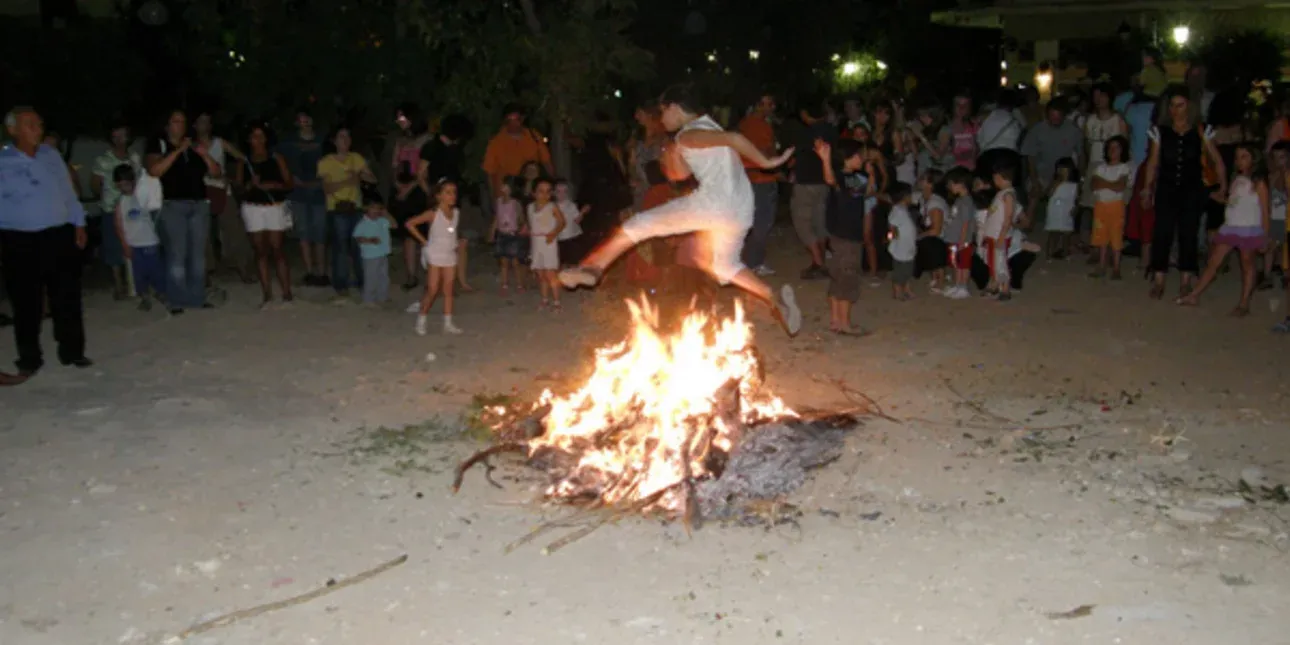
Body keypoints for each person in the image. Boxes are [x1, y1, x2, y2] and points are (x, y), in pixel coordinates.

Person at [558, 84, 802, 337]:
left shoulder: (689, 134)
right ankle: (774, 300)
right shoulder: (707, 127)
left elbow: (735, 138)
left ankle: (594, 268)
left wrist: (768, 162)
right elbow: (680, 175)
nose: (661, 120)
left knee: (639, 224)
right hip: (740, 208)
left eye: (663, 112)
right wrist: (673, 155)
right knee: (723, 266)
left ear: (674, 108)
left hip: (714, 203)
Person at [0, 106, 92, 381]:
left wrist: (79, 222)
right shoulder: (3, 161)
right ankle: (29, 358)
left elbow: (68, 191)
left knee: (67, 296)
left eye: (39, 124)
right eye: (29, 125)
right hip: (19, 239)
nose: (37, 130)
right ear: (12, 129)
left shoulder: (51, 156)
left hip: (58, 234)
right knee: (26, 301)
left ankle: (72, 351)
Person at [1140, 85, 1226, 300]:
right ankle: (1159, 279)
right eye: (1172, 105)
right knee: (1162, 233)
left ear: (1189, 107)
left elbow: (1217, 160)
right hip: (1167, 188)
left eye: (1180, 105)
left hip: (1192, 190)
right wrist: (1146, 189)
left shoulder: (1202, 130)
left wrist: (1223, 186)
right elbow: (1153, 163)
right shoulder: (1159, 131)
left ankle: (1186, 280)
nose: (1175, 110)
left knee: (1189, 233)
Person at [145, 109, 223, 314]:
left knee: (198, 256)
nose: (180, 125)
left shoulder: (195, 146)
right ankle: (177, 300)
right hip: (173, 205)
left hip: (199, 204)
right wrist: (178, 151)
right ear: (167, 125)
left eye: (183, 121)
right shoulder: (158, 145)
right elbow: (155, 171)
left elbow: (216, 172)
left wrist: (204, 154)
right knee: (177, 254)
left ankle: (196, 298)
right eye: (176, 121)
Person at [1178, 144, 1270, 316]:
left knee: (1247, 264)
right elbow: (1233, 202)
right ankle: (1194, 295)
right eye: (1237, 157)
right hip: (1230, 226)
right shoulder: (1236, 178)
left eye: (1244, 157)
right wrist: (1215, 196)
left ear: (1254, 159)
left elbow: (1265, 211)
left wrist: (1264, 236)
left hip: (1248, 228)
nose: (1239, 161)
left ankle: (1244, 303)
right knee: (1213, 262)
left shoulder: (1259, 183)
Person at [816, 138, 874, 335]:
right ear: (849, 157)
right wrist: (825, 159)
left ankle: (836, 321)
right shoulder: (840, 176)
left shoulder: (860, 177)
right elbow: (830, 180)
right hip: (844, 235)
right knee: (846, 278)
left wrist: (872, 172)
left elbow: (869, 192)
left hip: (848, 234)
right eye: (860, 154)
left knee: (839, 277)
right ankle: (844, 323)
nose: (863, 157)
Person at [234, 123, 295, 308]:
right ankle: (267, 295)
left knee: (278, 249)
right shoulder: (243, 162)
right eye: (254, 136)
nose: (258, 140)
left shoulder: (276, 158)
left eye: (261, 136)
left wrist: (275, 186)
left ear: (267, 138)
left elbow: (289, 183)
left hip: (274, 206)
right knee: (260, 251)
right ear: (249, 139)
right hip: (252, 207)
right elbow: (238, 188)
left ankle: (287, 293)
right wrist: (250, 185)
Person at [318, 126, 378, 300]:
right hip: (337, 209)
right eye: (341, 137)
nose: (345, 140)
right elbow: (327, 188)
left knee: (359, 247)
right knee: (340, 249)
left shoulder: (356, 158)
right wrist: (348, 180)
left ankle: (362, 282)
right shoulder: (326, 162)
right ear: (334, 141)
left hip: (355, 208)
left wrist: (360, 176)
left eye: (348, 137)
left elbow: (372, 178)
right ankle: (341, 283)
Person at [90, 120, 142, 299]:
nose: (120, 138)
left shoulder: (134, 158)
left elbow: (140, 181)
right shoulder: (103, 160)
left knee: (135, 245)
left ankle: (134, 281)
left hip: (132, 209)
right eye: (116, 135)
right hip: (112, 209)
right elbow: (95, 186)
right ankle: (119, 284)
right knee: (113, 247)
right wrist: (106, 196)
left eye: (123, 134)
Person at [406, 180, 464, 335]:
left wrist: (456, 243)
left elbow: (452, 231)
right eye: (448, 192)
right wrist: (425, 242)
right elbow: (410, 224)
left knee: (448, 289)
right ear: (439, 196)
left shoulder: (456, 212)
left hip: (449, 253)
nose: (452, 196)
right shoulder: (433, 213)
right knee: (432, 289)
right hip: (435, 253)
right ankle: (421, 320)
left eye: (454, 192)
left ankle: (448, 323)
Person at [279, 108, 329, 286]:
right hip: (298, 193)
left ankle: (322, 272)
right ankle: (309, 271)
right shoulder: (288, 143)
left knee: (320, 233)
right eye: (300, 119)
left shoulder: (323, 140)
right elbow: (281, 162)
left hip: (319, 193)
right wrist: (290, 178)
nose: (304, 121)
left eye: (307, 118)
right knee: (304, 232)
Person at [791, 95, 838, 279]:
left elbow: (795, 157)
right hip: (825, 182)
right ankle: (821, 261)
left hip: (806, 183)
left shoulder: (805, 133)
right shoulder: (832, 131)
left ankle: (818, 262)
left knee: (802, 223)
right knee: (820, 222)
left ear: (805, 113)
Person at [737, 92, 780, 275]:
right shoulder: (756, 125)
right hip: (760, 179)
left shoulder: (748, 124)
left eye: (772, 104)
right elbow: (760, 151)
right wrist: (773, 153)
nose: (770, 108)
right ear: (757, 105)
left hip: (752, 178)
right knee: (762, 223)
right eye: (766, 104)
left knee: (755, 223)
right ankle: (753, 263)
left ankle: (750, 261)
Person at [111, 164, 164, 311]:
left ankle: (161, 292)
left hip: (151, 242)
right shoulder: (120, 203)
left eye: (127, 184)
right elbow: (118, 225)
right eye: (120, 185)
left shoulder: (143, 196)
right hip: (134, 245)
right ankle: (144, 296)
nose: (125, 188)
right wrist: (125, 245)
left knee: (155, 270)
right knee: (139, 274)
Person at [1090, 136, 1132, 279]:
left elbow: (1120, 186)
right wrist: (1111, 184)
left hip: (1116, 206)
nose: (1112, 150)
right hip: (1101, 205)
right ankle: (1102, 265)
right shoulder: (1100, 167)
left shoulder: (1124, 167)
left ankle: (1116, 268)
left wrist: (1104, 183)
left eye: (1116, 147)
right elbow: (1094, 184)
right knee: (1101, 237)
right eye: (1110, 147)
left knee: (1116, 237)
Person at [527, 177, 568, 311]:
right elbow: (532, 224)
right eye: (541, 191)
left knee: (550, 273)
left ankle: (556, 302)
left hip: (548, 243)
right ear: (534, 193)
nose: (545, 194)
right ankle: (544, 299)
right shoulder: (530, 208)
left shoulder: (552, 207)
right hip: (536, 243)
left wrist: (554, 233)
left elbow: (562, 222)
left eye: (548, 191)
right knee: (541, 274)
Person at [984, 158, 1020, 301]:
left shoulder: (1008, 195)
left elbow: (1008, 217)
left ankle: (1005, 288)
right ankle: (994, 285)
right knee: (993, 261)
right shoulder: (1002, 193)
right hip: (994, 234)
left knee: (1000, 262)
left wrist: (1002, 236)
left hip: (1000, 235)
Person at [942, 167, 977, 299]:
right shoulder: (959, 200)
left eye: (951, 184)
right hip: (954, 238)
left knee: (963, 263)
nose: (949, 187)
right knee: (956, 262)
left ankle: (963, 287)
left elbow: (966, 223)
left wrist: (963, 240)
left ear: (960, 183)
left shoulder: (966, 202)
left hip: (962, 239)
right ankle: (957, 284)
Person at [352, 195, 393, 307]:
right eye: (373, 208)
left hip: (383, 253)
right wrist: (369, 240)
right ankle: (368, 299)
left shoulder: (383, 221)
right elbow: (357, 237)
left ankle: (382, 297)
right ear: (366, 209)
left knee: (383, 276)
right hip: (370, 255)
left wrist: (386, 213)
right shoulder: (363, 223)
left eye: (378, 208)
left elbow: (394, 225)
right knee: (371, 277)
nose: (376, 211)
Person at [488, 178, 526, 294]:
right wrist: (491, 232)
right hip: (501, 234)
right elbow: (496, 218)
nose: (503, 189)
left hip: (512, 235)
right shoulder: (498, 202)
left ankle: (520, 285)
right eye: (502, 186)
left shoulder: (515, 203)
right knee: (503, 262)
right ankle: (504, 284)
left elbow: (521, 219)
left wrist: (521, 229)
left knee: (515, 262)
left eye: (506, 187)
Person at [914, 168, 949, 290]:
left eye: (923, 179)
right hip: (930, 234)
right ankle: (934, 275)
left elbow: (936, 231)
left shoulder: (935, 203)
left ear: (930, 184)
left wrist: (918, 236)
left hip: (940, 238)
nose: (919, 180)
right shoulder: (923, 198)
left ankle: (940, 277)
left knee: (930, 242)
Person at [1044, 158, 1080, 258]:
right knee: (1053, 232)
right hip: (1055, 210)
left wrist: (1076, 208)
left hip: (1067, 210)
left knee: (1066, 233)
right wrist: (1056, 184)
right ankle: (1050, 253)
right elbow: (1048, 194)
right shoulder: (1054, 182)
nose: (1061, 171)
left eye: (1064, 169)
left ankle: (1065, 253)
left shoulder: (1074, 185)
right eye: (1059, 169)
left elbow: (1076, 198)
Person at [887, 182, 917, 301]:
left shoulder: (903, 209)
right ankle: (897, 291)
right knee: (900, 270)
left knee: (908, 269)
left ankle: (907, 289)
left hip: (908, 246)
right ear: (905, 196)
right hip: (901, 247)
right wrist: (893, 236)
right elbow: (892, 225)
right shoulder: (897, 210)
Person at [553, 179, 588, 267]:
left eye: (564, 191)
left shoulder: (571, 205)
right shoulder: (552, 206)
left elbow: (577, 220)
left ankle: (574, 276)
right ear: (554, 193)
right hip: (559, 238)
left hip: (572, 236)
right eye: (559, 192)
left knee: (573, 260)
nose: (562, 194)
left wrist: (582, 212)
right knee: (561, 260)